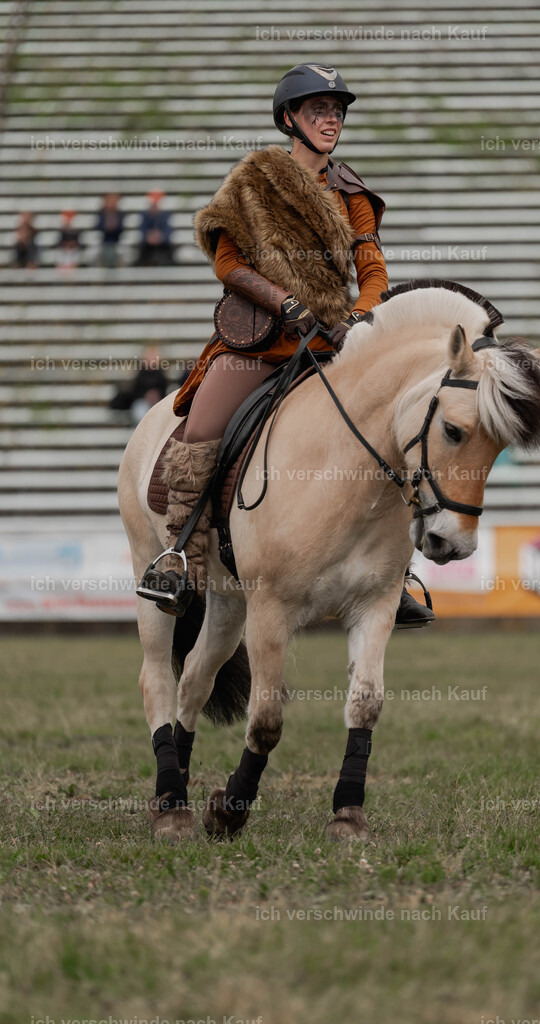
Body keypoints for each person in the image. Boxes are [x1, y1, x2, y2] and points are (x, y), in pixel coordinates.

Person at [136, 63, 433, 628]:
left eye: (337, 110)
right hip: (261, 342)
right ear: (288, 119)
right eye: (318, 109)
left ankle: (397, 572)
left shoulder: (352, 192)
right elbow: (227, 264)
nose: (331, 118)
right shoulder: (251, 183)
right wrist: (285, 303)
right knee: (201, 429)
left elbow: (372, 269)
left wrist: (365, 314)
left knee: (398, 429)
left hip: (333, 340)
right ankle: (179, 558)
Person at [110, 345, 168, 424]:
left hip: (158, 403)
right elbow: (135, 391)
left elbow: (164, 391)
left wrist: (156, 396)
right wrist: (145, 396)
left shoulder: (161, 374)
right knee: (140, 411)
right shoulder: (140, 373)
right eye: (150, 355)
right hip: (142, 402)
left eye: (154, 356)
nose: (152, 358)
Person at [135, 190, 174, 266]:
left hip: (163, 245)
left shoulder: (165, 215)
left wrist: (160, 237)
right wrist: (149, 237)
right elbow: (142, 229)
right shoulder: (145, 215)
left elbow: (168, 230)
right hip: (147, 245)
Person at [96, 192, 125, 268]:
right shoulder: (101, 213)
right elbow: (99, 227)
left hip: (116, 242)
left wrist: (113, 227)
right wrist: (107, 226)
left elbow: (121, 228)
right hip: (103, 242)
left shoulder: (120, 213)